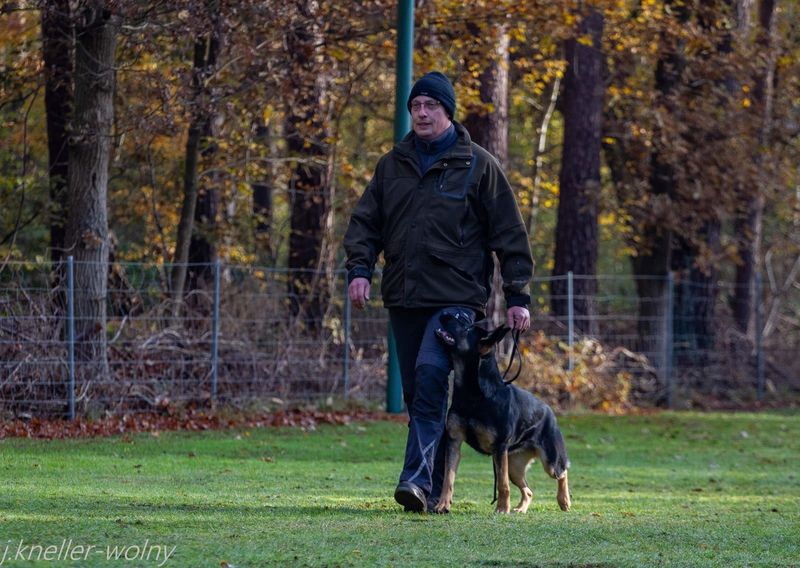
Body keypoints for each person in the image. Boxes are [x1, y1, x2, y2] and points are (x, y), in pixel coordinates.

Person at [343, 71, 533, 513]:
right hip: (405, 297)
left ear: (447, 111)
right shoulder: (392, 165)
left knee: (430, 379)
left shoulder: (479, 165)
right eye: (415, 107)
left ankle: (416, 483)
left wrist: (519, 296)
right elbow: (365, 225)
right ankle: (431, 491)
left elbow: (509, 233)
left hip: (457, 299)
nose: (422, 113)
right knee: (416, 392)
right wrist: (359, 270)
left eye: (431, 106)